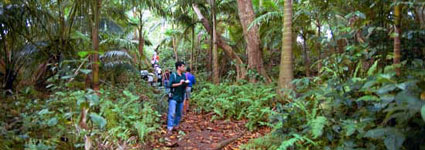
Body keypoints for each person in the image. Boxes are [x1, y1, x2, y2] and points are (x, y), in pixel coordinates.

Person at [166, 61, 188, 134]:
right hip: (173, 97)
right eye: (182, 66)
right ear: (178, 67)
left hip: (181, 97)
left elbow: (184, 86)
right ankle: (170, 127)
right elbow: (170, 85)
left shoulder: (183, 75)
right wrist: (179, 83)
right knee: (172, 112)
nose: (184, 68)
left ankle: (176, 125)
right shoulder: (173, 75)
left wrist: (185, 84)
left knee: (179, 113)